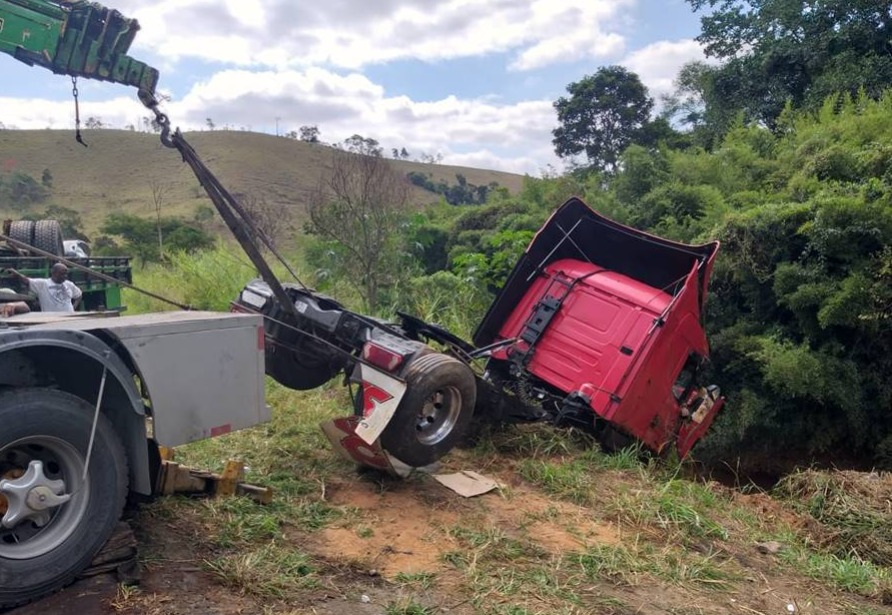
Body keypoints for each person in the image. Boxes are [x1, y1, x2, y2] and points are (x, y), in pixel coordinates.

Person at [5, 264, 82, 313]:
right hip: (51, 320)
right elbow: (26, 280)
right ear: (53, 273)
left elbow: (79, 295)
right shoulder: (43, 284)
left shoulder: (69, 284)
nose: (65, 276)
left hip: (69, 319)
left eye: (66, 274)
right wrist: (16, 274)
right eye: (62, 274)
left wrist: (74, 307)